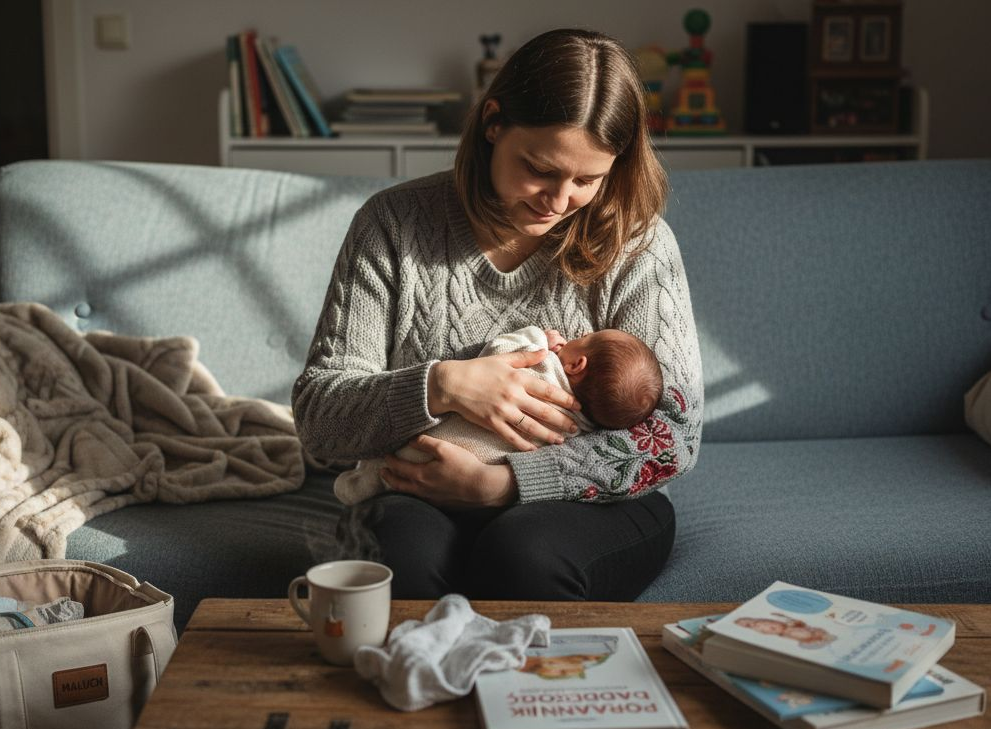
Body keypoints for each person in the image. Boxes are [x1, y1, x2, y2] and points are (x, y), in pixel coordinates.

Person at [292, 28, 703, 600]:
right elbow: (319, 419)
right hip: (415, 495)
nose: (558, 202)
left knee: (523, 558)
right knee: (399, 562)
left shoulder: (639, 246)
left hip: (586, 503)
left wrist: (500, 485)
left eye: (587, 180)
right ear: (493, 124)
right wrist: (443, 386)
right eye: (539, 168)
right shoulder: (393, 225)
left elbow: (674, 434)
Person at [333, 324, 663, 505]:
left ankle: (359, 484)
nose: (577, 335)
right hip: (482, 471)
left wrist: (538, 338)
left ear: (578, 364)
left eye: (586, 338)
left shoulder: (541, 360)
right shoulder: (580, 429)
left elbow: (495, 356)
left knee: (395, 462)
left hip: (433, 448)